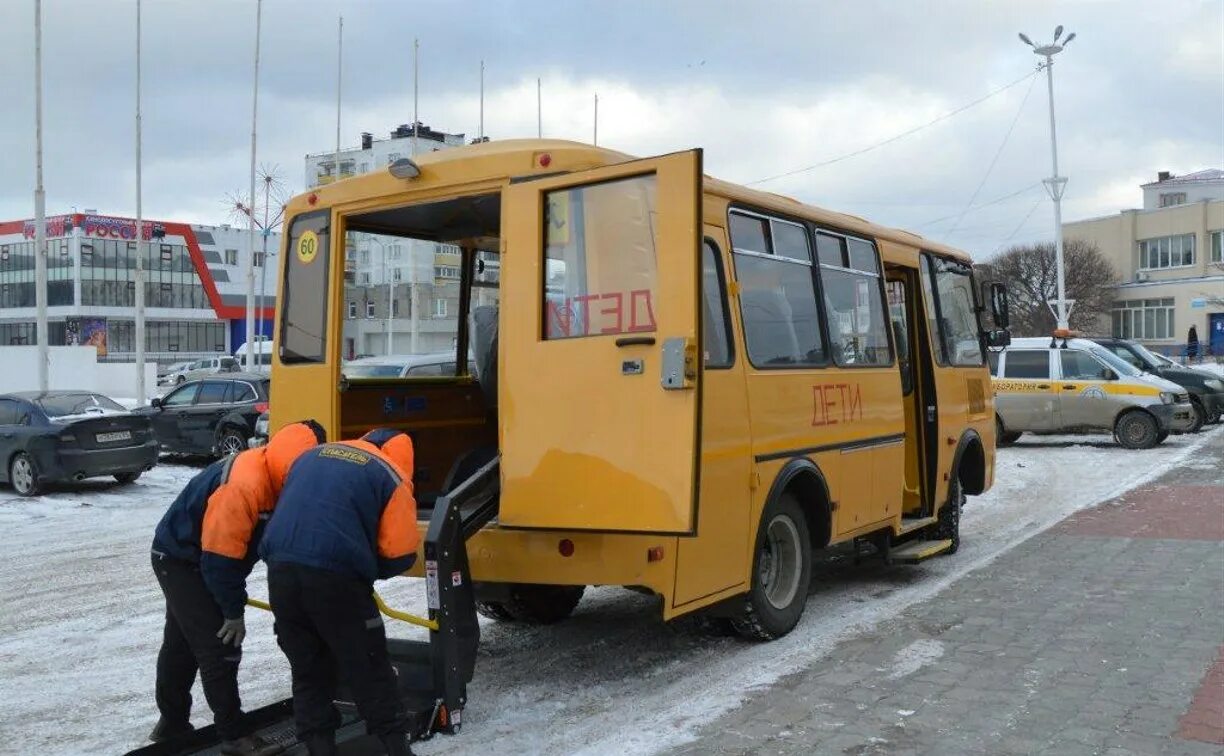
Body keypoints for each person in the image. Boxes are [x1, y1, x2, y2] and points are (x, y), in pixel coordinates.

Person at [149, 420, 325, 754]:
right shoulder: (244, 485)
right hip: (181, 558)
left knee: (182, 643)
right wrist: (233, 612)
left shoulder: (281, 475)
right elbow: (219, 561)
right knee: (220, 646)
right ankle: (234, 736)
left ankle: (171, 723)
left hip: (202, 555)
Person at [260, 428, 419, 756]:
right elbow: (399, 554)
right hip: (337, 580)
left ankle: (320, 750)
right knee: (370, 668)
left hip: (281, 572)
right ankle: (398, 749)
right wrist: (366, 568)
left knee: (308, 670)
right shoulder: (392, 474)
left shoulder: (311, 457)